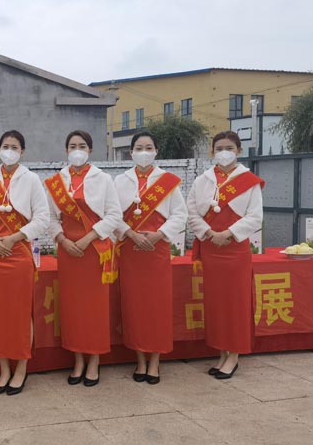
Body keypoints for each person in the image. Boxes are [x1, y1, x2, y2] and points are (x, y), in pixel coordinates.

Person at [0, 130, 49, 395]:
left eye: (15, 147)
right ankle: (3, 370)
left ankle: (21, 369)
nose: (9, 151)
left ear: (22, 151)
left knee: (20, 313)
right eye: (5, 146)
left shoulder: (32, 179)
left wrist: (13, 238)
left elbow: (42, 219)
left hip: (19, 253)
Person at [45, 130, 121, 387]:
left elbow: (114, 215)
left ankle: (94, 360)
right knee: (72, 308)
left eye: (82, 146)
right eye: (72, 146)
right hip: (68, 252)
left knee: (94, 309)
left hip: (95, 250)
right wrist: (62, 240)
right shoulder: (56, 181)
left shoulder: (104, 179)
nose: (77, 150)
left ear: (90, 150)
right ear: (66, 150)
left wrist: (88, 238)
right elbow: (51, 218)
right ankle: (78, 359)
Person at [187, 131, 264, 379]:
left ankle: (234, 356)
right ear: (212, 151)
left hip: (235, 249)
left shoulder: (249, 181)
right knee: (216, 304)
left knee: (236, 304)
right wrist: (210, 233)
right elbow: (191, 212)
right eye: (219, 148)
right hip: (211, 247)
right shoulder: (202, 181)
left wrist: (228, 233)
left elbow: (255, 217)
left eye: (229, 148)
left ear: (238, 150)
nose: (224, 152)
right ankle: (222, 352)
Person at [114, 132, 187, 385]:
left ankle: (154, 360)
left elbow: (180, 215)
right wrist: (131, 234)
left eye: (148, 147)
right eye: (138, 148)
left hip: (157, 250)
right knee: (134, 306)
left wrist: (159, 235)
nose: (143, 152)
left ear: (156, 151)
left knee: (156, 307)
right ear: (131, 152)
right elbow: (112, 215)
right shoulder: (120, 181)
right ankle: (140, 359)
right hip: (130, 250)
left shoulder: (168, 181)